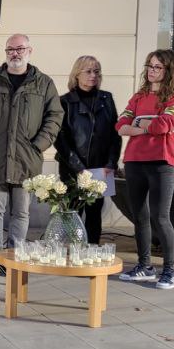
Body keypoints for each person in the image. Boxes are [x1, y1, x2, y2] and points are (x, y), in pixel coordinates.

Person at [0, 34, 64, 275]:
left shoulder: (43, 83)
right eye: (10, 49)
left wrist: (39, 144)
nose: (15, 53)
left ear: (30, 50)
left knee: (21, 212)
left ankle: (15, 258)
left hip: (26, 159)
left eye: (20, 48)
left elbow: (55, 116)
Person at [116, 49, 174, 290]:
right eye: (149, 65)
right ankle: (145, 266)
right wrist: (147, 126)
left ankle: (169, 272)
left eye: (157, 67)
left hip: (162, 162)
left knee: (161, 217)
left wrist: (140, 125)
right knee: (140, 217)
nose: (151, 70)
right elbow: (121, 125)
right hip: (135, 161)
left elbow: (165, 124)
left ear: (169, 70)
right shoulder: (139, 96)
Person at [54, 56, 121, 244]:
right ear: (77, 74)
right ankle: (70, 253)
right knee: (72, 212)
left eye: (97, 71)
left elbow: (114, 135)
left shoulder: (106, 99)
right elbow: (60, 139)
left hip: (100, 168)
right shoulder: (65, 102)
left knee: (94, 213)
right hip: (72, 168)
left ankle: (91, 252)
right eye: (88, 71)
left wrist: (111, 163)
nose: (93, 75)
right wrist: (78, 167)